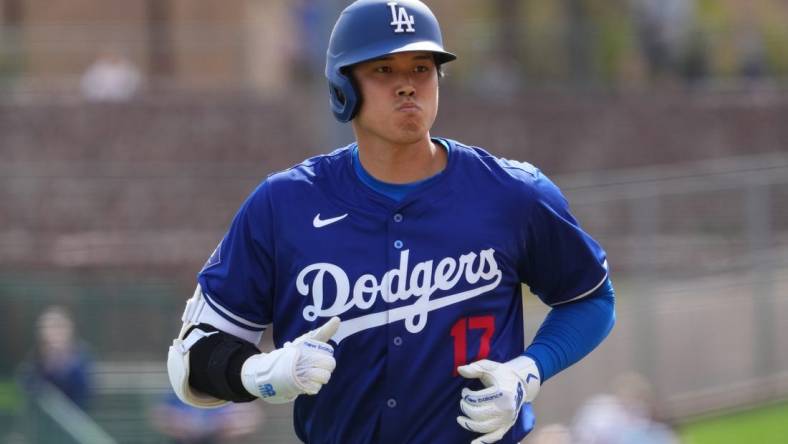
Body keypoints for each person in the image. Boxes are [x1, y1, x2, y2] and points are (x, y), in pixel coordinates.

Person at [166, 1, 616, 443]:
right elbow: (190, 360)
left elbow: (591, 299)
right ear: (344, 86)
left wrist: (527, 371)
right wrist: (265, 373)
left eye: (421, 68)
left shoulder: (513, 193)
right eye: (383, 69)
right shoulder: (284, 204)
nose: (407, 86)